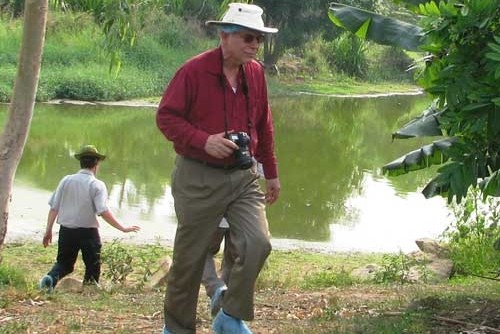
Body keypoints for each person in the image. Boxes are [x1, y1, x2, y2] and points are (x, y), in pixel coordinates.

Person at [156, 2, 280, 333]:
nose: (255, 45)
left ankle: (229, 315)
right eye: (248, 37)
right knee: (190, 259)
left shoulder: (255, 73)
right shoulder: (193, 72)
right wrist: (203, 140)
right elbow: (165, 117)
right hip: (198, 175)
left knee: (258, 243)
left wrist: (271, 172)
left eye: (259, 39)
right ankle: (177, 328)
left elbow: (264, 124)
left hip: (243, 176)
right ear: (224, 36)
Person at [39, 144, 141, 291]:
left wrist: (48, 230)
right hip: (88, 232)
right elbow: (103, 211)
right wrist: (123, 228)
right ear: (96, 164)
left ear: (81, 162)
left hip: (66, 230)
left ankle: (50, 279)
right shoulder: (96, 185)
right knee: (93, 264)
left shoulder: (66, 180)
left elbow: (54, 207)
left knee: (64, 264)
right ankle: (89, 289)